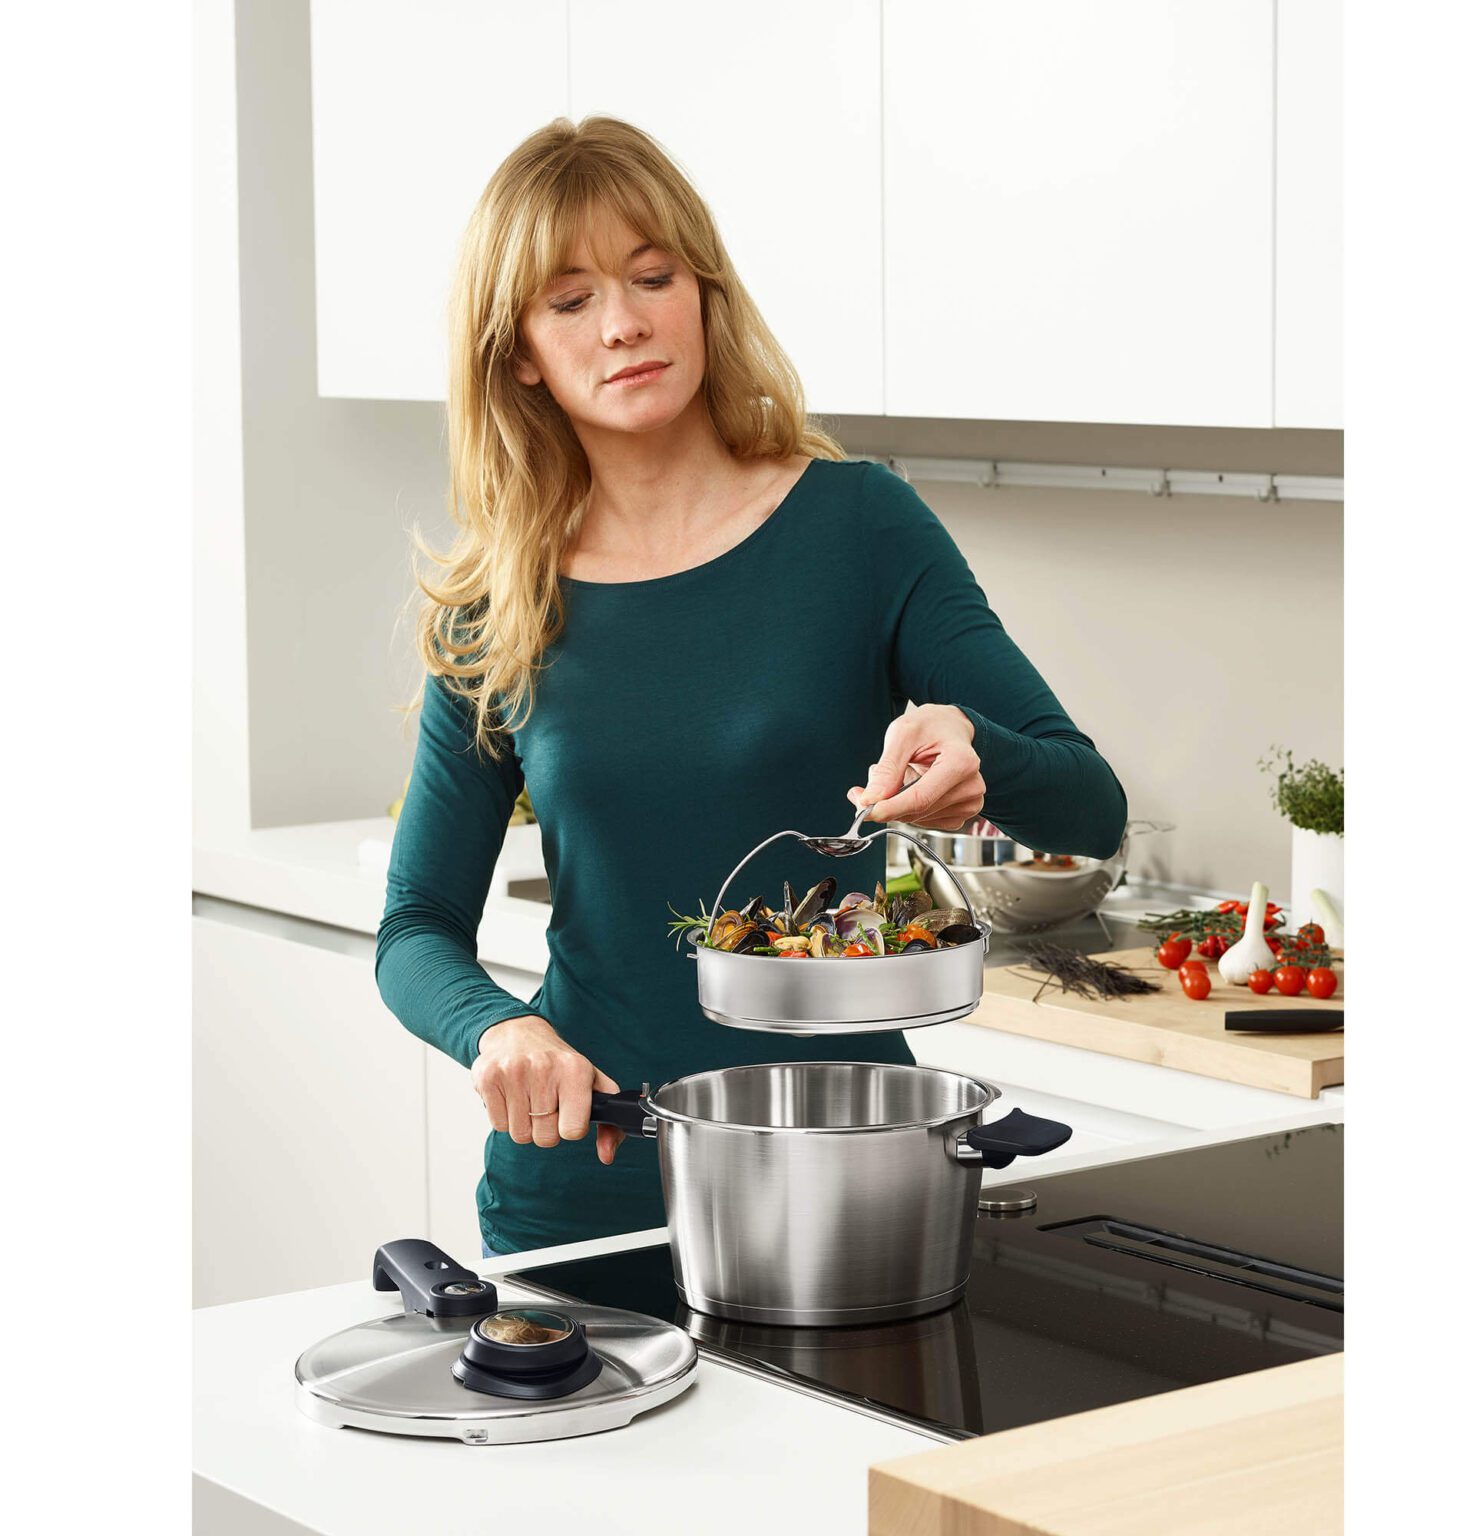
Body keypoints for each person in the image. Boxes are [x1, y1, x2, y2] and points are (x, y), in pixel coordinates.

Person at [375, 116, 1128, 1259]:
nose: (624, 323)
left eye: (653, 277)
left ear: (703, 294)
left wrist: (986, 756)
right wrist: (498, 1030)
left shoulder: (860, 525)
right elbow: (416, 927)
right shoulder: (496, 602)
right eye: (570, 300)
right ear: (518, 351)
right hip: (585, 1184)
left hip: (848, 1172)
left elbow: (1090, 807)